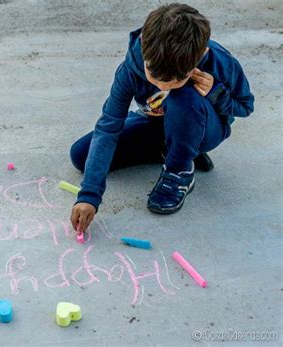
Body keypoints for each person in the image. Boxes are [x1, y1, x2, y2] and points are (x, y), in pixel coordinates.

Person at [69, 3, 254, 233]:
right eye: (154, 76)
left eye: (173, 80)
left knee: (182, 97)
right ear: (144, 47)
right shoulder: (130, 68)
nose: (162, 85)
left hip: (205, 125)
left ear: (201, 55)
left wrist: (217, 93)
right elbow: (108, 127)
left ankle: (179, 169)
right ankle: (179, 150)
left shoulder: (220, 62)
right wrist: (89, 195)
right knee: (80, 155)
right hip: (155, 123)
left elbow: (246, 106)